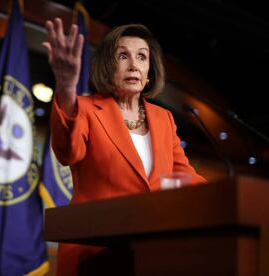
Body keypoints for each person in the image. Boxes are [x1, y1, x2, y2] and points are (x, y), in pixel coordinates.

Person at [42, 18, 206, 276]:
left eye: (142, 57)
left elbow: (185, 177)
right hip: (93, 249)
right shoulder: (84, 108)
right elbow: (67, 152)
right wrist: (65, 88)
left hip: (149, 250)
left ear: (149, 70)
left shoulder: (164, 119)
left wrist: (227, 196)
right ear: (108, 65)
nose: (133, 65)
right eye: (123, 56)